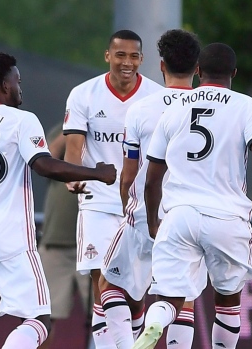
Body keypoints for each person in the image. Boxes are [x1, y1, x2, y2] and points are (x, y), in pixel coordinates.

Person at [132, 43, 252, 349]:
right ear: (233, 74)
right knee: (227, 302)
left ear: (198, 72)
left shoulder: (173, 112)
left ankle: (156, 320)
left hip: (179, 215)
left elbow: (151, 178)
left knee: (171, 298)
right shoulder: (247, 107)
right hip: (226, 218)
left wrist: (155, 221)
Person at [0, 52, 117, 349]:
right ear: (5, 85)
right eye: (18, 80)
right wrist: (97, 172)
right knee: (39, 321)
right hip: (10, 241)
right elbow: (44, 165)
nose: (20, 87)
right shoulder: (21, 120)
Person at [98, 29, 206, 349]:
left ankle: (123, 344)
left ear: (161, 66)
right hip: (189, 217)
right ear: (197, 68)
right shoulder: (210, 110)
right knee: (181, 300)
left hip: (145, 215)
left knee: (109, 287)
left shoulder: (141, 109)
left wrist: (126, 211)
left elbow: (129, 173)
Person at [63, 29, 163, 348]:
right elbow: (73, 148)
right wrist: (74, 174)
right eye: (120, 55)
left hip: (141, 206)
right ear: (108, 56)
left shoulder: (156, 97)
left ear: (142, 60)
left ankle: (130, 337)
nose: (127, 63)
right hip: (98, 202)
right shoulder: (84, 94)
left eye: (133, 56)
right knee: (101, 280)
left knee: (134, 295)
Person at [37, 123, 91, 349]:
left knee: (106, 315)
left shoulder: (114, 125)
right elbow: (45, 159)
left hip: (94, 243)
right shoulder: (62, 128)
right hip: (55, 242)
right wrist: (72, 129)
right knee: (42, 316)